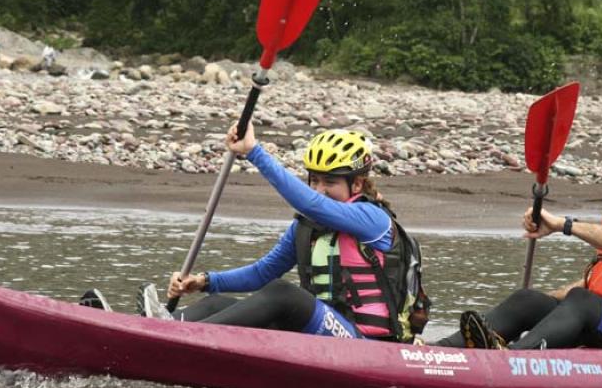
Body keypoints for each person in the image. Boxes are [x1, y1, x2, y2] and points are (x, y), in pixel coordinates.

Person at [435, 135, 602, 351]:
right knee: (529, 299)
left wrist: (563, 225)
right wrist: (547, 305)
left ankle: (515, 358)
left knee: (584, 301)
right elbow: (599, 283)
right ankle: (439, 351)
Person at [160, 123, 425, 343]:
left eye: (330, 182)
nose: (319, 189)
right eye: (314, 180)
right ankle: (159, 328)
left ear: (357, 184)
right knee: (215, 304)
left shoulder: (373, 219)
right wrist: (205, 281)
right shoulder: (306, 227)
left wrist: (254, 152)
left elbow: (310, 202)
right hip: (318, 335)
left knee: (284, 293)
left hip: (366, 344)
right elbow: (262, 273)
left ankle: (184, 340)